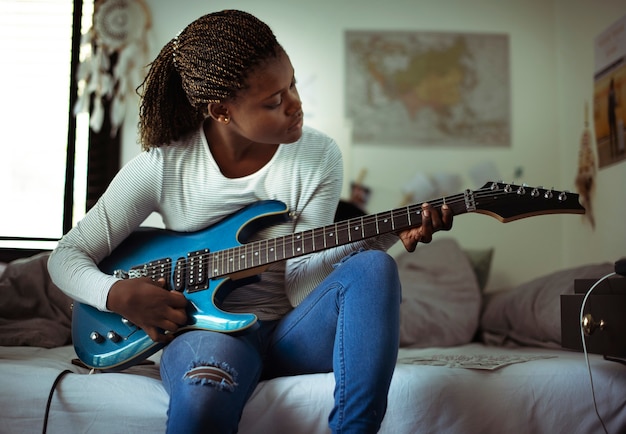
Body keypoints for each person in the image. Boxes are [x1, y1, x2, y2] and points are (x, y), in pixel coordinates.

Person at [48, 9, 453, 434]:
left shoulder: (318, 156)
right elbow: (66, 257)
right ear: (222, 110)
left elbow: (299, 286)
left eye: (292, 84)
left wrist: (382, 235)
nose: (296, 106)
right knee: (202, 405)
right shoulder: (162, 166)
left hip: (294, 333)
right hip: (210, 333)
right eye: (274, 101)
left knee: (374, 268)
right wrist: (117, 295)